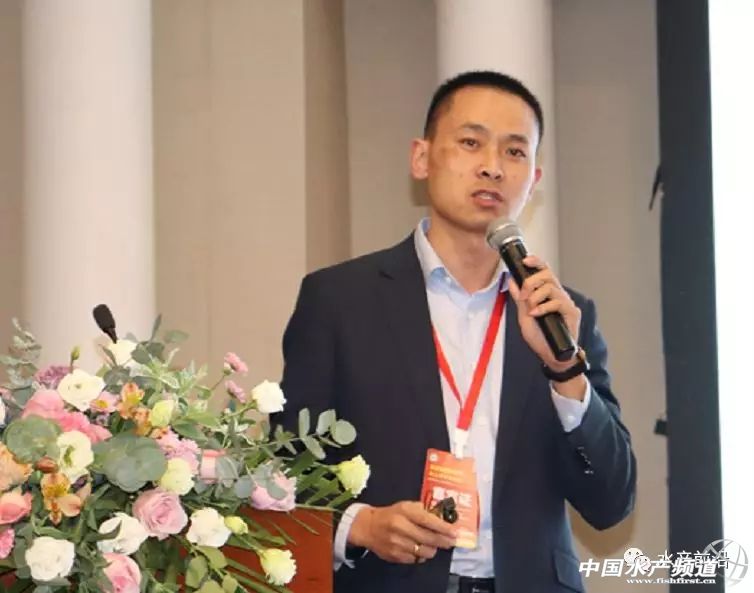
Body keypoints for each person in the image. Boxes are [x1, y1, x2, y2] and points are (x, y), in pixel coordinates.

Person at [275, 70, 636, 593]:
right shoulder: (338, 301)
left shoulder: (562, 315)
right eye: (471, 143)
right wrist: (359, 526)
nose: (492, 166)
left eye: (515, 152)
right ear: (421, 158)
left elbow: (610, 502)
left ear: (533, 180)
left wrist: (565, 371)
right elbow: (283, 473)